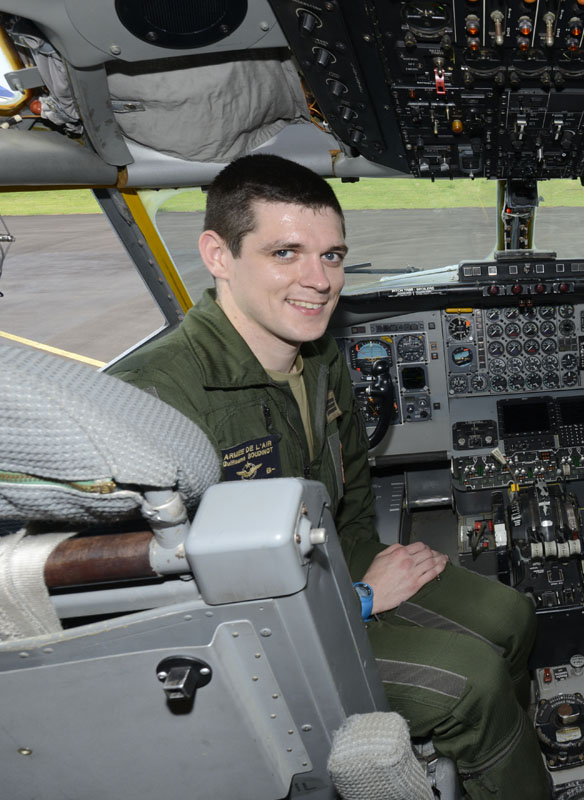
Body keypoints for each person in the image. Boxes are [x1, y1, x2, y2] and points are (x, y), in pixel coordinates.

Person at [110, 154, 549, 800]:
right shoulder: (156, 395)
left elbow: (352, 508)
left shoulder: (318, 360)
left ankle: (497, 745)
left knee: (511, 614)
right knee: (475, 682)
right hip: (263, 645)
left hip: (337, 576)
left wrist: (377, 567)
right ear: (218, 254)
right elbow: (169, 608)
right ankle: (497, 751)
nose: (319, 280)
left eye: (333, 256)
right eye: (285, 253)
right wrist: (363, 601)